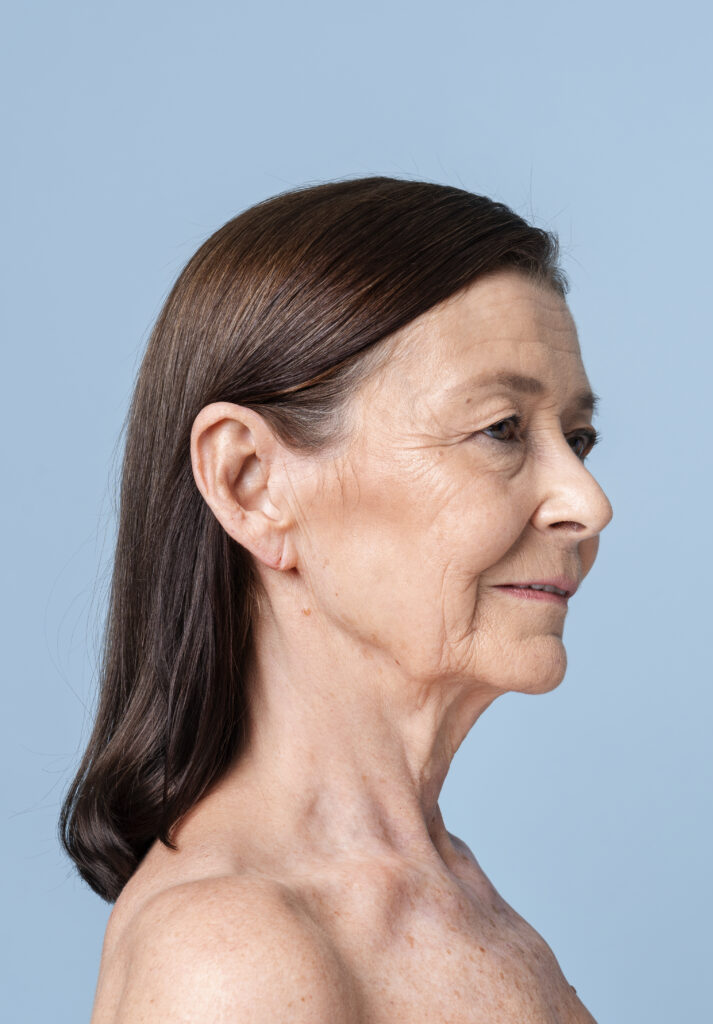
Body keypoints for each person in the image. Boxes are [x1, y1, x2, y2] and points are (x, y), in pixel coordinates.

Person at [60, 177, 612, 1023]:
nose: (587, 501)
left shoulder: (457, 903)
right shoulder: (229, 957)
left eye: (576, 439)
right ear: (251, 481)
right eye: (502, 428)